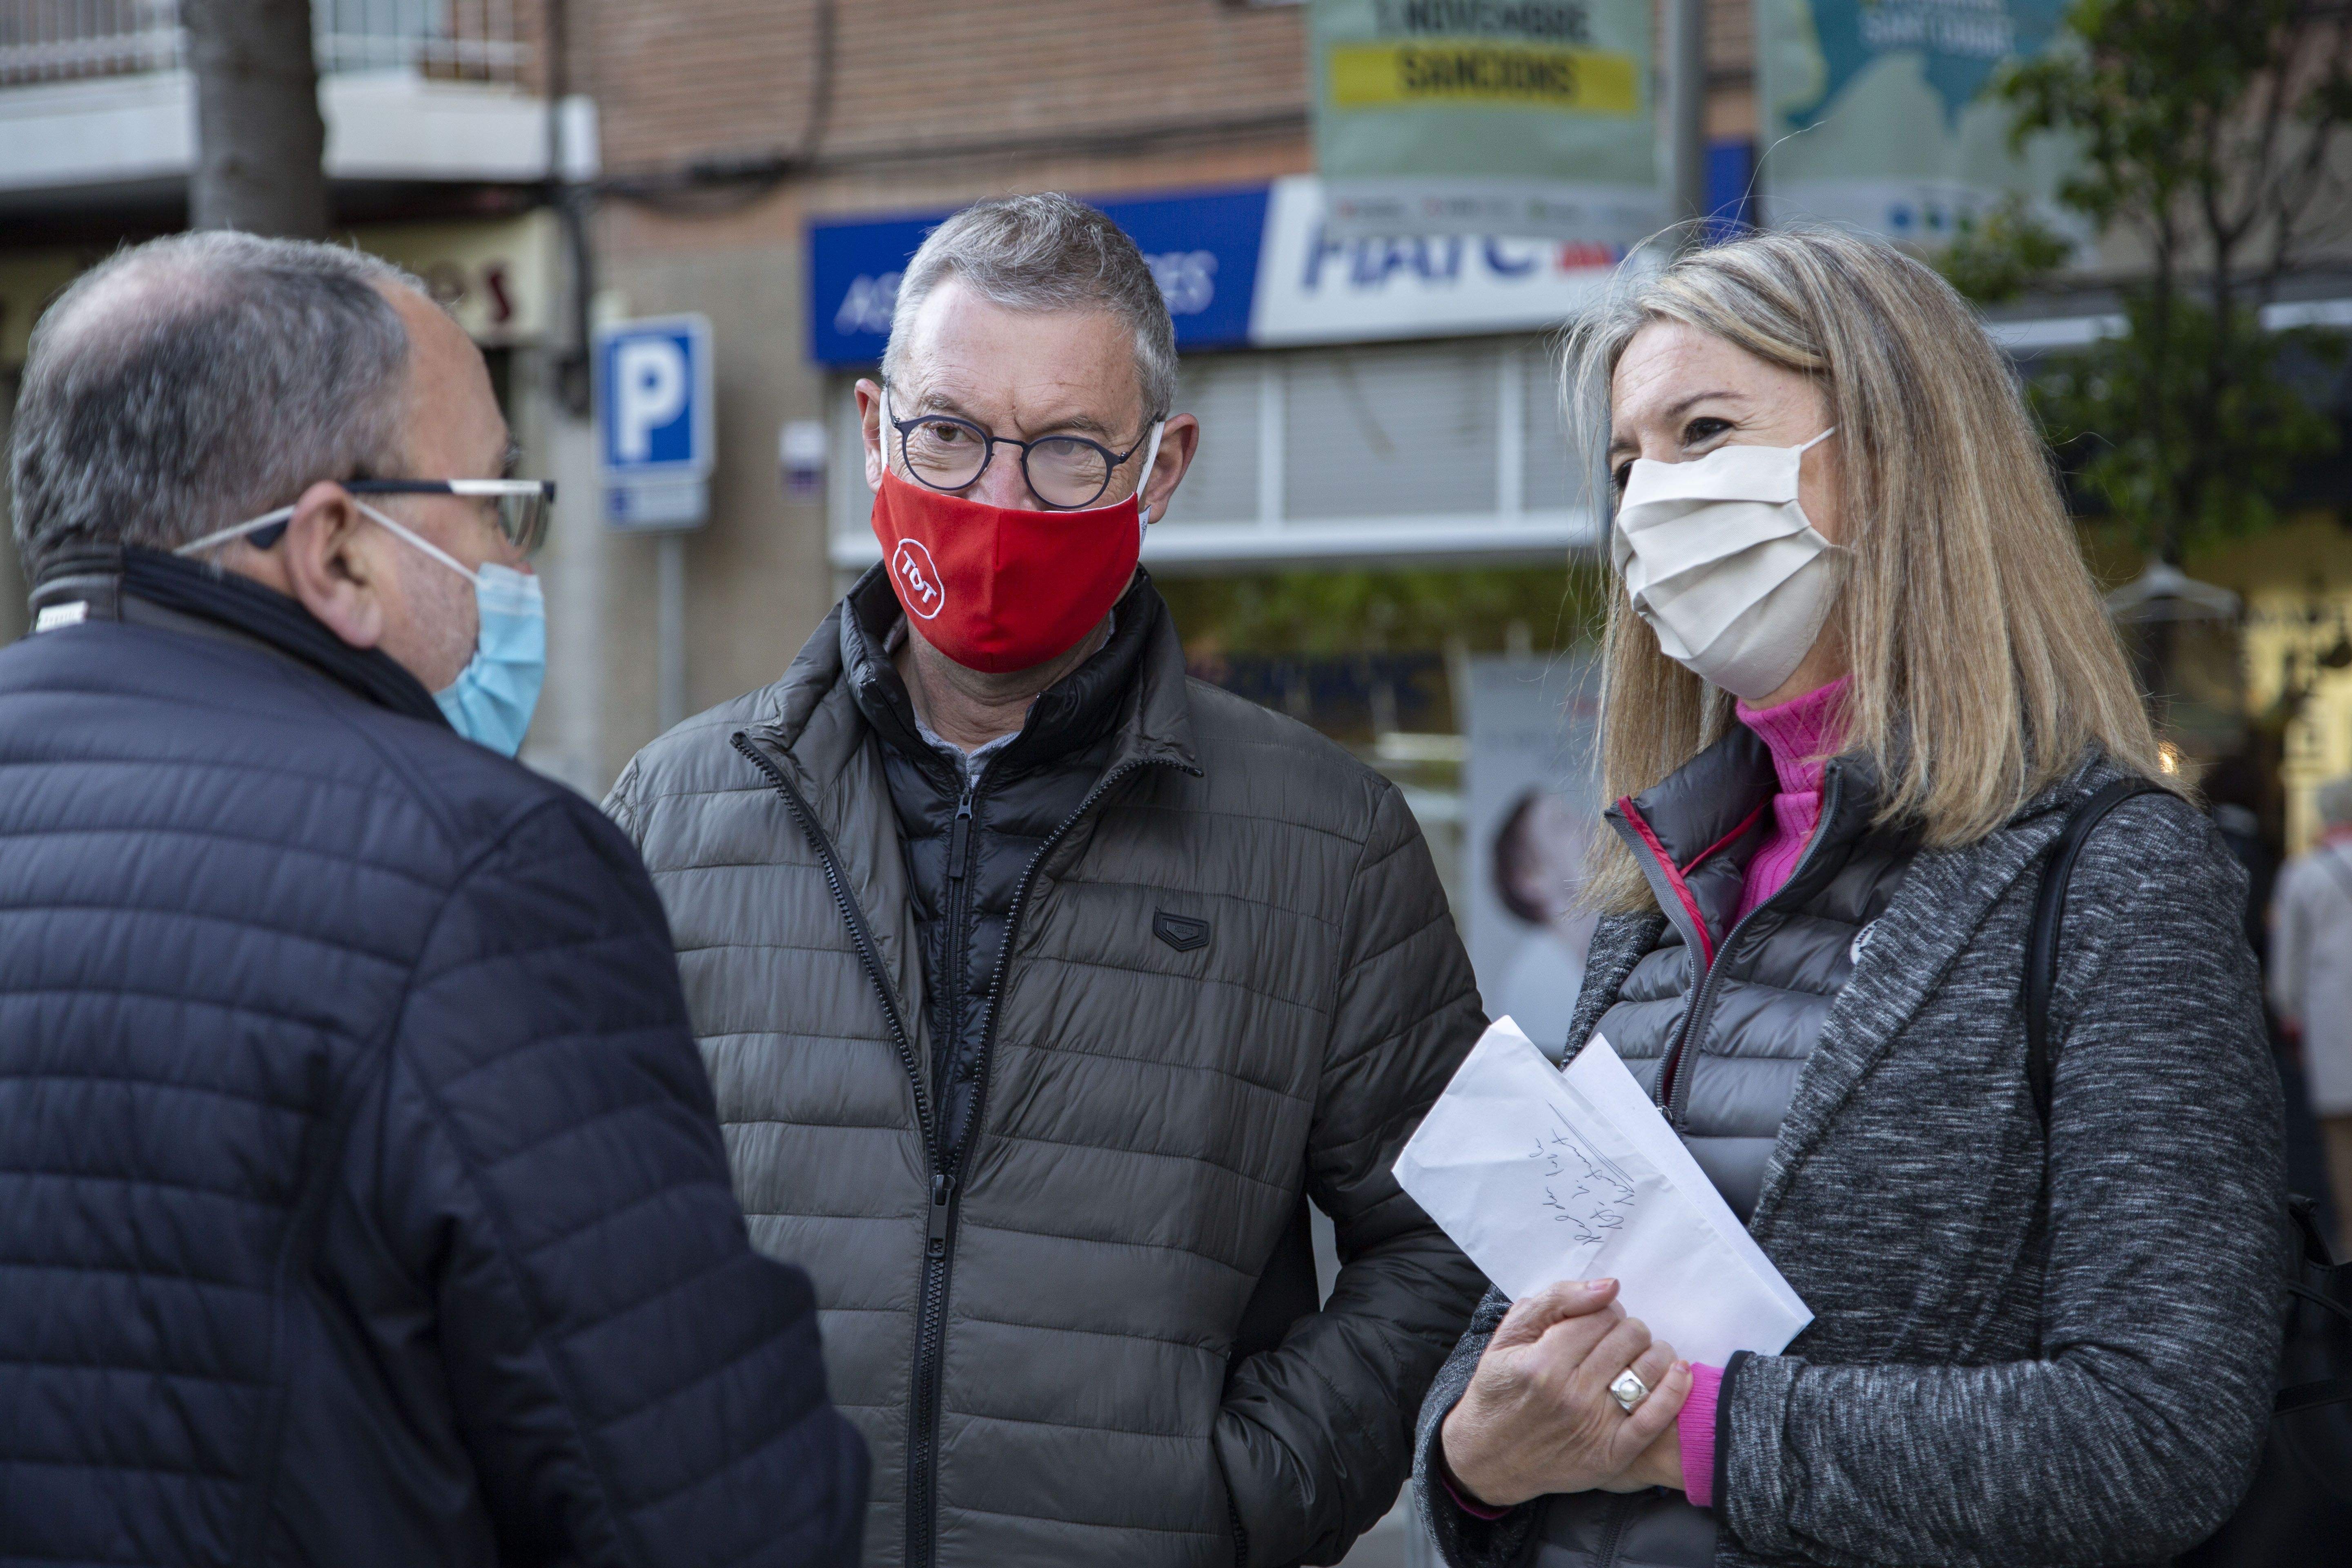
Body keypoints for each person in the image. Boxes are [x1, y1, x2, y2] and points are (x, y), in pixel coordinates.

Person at [602, 193, 1489, 1568]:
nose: (996, 504)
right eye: (948, 434)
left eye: (1069, 451)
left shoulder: (1332, 842)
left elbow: (1447, 1239)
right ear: (869, 430)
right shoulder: (675, 811)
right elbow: (579, 1221)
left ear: (1163, 467)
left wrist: (1240, 1494)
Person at [1414, 227, 2285, 1568]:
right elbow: (1513, 1345)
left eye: (1703, 430)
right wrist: (1470, 1459)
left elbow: (2157, 1432)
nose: (1649, 502)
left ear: (1889, 462)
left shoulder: (2107, 875)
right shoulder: (1661, 885)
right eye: (1628, 462)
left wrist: (1689, 1431)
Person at [0, 233, 866, 1566]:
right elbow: (714, 1508)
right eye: (494, 506)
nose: (514, 572)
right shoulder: (481, 869)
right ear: (337, 550)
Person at [2270, 774, 2352, 1256]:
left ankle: (2347, 1258)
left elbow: (2287, 973)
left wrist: (2290, 1018)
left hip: (2332, 1027)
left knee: (2342, 1147)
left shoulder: (2304, 873)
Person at [1488, 786, 1603, 1056]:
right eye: (1560, 825)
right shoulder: (1530, 985)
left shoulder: (1611, 949)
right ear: (1531, 878)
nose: (1585, 825)